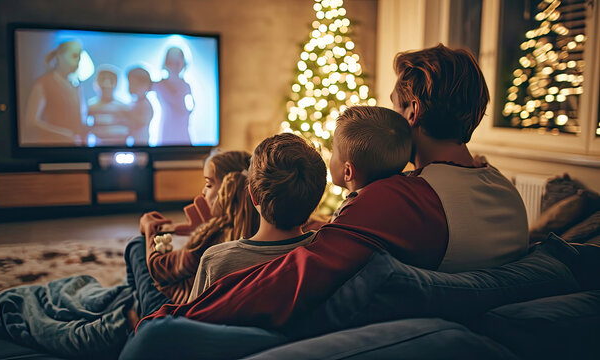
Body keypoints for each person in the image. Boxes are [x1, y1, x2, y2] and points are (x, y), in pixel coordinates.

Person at [136, 44, 529, 331]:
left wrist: (168, 319)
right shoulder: (506, 195)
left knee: (139, 256)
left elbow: (291, 277)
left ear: (413, 112)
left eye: (394, 108)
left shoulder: (404, 198)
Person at [188, 133, 327, 301]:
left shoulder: (216, 261)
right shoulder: (324, 252)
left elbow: (190, 322)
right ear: (317, 199)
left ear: (252, 195)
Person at [127, 150, 258, 318]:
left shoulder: (209, 239)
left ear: (228, 188)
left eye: (209, 184)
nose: (204, 191)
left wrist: (149, 231)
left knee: (136, 246)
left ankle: (132, 310)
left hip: (170, 310)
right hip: (206, 310)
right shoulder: (255, 230)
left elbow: (159, 268)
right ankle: (129, 301)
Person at [24, 40, 87, 145]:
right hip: (52, 148)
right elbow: (31, 122)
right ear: (60, 56)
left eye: (80, 57)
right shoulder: (43, 83)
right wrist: (65, 134)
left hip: (76, 148)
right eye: (74, 56)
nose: (78, 61)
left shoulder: (76, 85)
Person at [153, 47, 194, 145]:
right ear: (167, 63)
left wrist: (184, 114)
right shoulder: (158, 85)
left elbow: (191, 106)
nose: (175, 66)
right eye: (172, 62)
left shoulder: (185, 85)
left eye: (178, 63)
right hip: (167, 130)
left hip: (183, 131)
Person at [87, 65, 129, 145]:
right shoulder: (90, 107)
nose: (106, 83)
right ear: (96, 83)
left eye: (111, 80)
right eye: (103, 79)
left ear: (117, 83)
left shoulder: (124, 107)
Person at [123, 67, 154, 145]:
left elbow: (141, 122)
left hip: (141, 142)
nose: (132, 87)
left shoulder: (146, 105)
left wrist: (126, 113)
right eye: (130, 83)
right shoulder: (133, 102)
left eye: (136, 84)